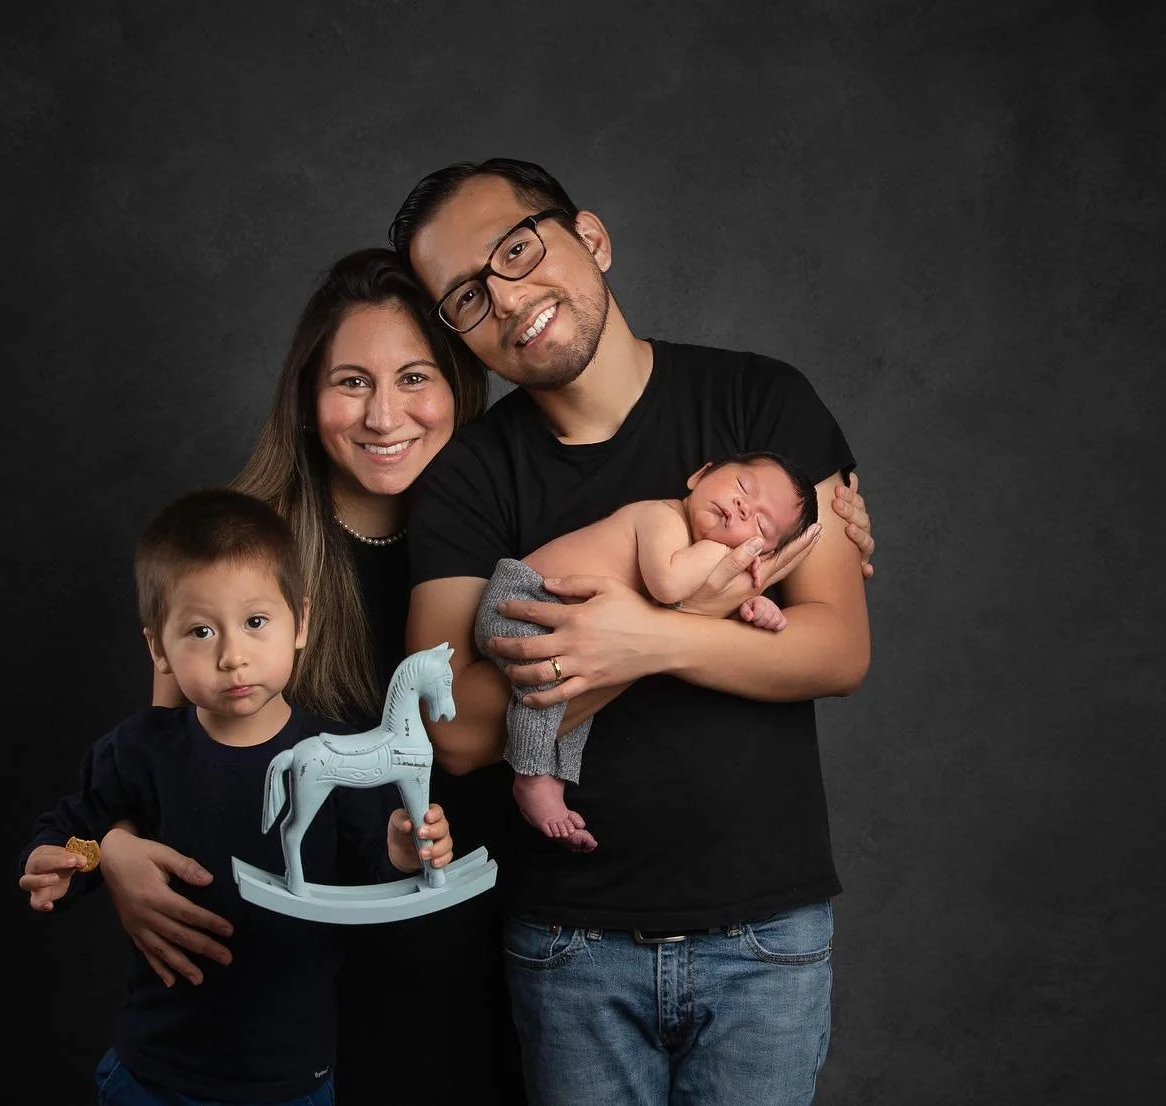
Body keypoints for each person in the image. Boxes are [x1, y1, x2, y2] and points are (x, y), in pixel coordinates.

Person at [390, 157, 873, 1105]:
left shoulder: (761, 403)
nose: (506, 298)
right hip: (571, 946)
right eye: (467, 297)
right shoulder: (466, 481)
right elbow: (452, 729)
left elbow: (836, 649)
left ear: (592, 238)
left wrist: (654, 637)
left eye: (517, 251)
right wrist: (678, 618)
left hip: (766, 935)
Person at [86, 250, 531, 1103]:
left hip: (482, 966)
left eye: (414, 378)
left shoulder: (507, 533)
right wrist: (107, 850)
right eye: (351, 382)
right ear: (306, 396)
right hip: (287, 1000)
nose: (384, 415)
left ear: (459, 388)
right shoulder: (242, 560)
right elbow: (158, 765)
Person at [17, 487, 456, 1105]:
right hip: (155, 1072)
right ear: (158, 649)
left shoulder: (339, 755)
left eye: (255, 622)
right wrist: (59, 863)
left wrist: (406, 855)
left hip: (290, 1078)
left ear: (300, 622)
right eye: (200, 631)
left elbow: (372, 880)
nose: (232, 656)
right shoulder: (138, 749)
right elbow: (75, 830)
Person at [474, 449, 818, 851]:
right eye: (742, 486)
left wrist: (754, 605)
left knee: (585, 687)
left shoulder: (696, 555)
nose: (743, 507)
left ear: (764, 554)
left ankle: (553, 775)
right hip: (522, 599)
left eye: (760, 523)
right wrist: (721, 552)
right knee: (550, 680)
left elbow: (701, 616)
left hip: (574, 627)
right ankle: (529, 774)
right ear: (700, 476)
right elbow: (669, 589)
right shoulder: (661, 516)